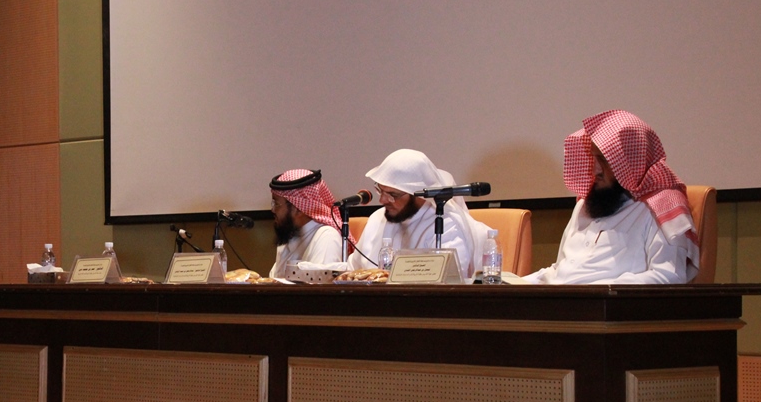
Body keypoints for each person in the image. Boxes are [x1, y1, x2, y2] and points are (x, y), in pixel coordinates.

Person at [525, 110, 698, 285]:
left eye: (604, 160)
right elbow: (560, 272)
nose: (595, 170)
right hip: (561, 300)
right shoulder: (586, 204)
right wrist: (515, 284)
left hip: (610, 302)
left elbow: (669, 276)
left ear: (630, 160)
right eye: (593, 158)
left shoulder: (661, 206)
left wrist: (595, 291)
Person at [347, 149, 490, 280]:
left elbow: (450, 281)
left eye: (393, 195)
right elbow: (352, 270)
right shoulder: (377, 219)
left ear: (419, 195)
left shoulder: (447, 225)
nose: (382, 200)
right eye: (380, 190)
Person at [267, 169, 349, 277]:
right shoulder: (289, 235)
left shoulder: (327, 237)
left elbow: (321, 285)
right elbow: (275, 281)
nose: (273, 210)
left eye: (277, 204)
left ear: (298, 209)